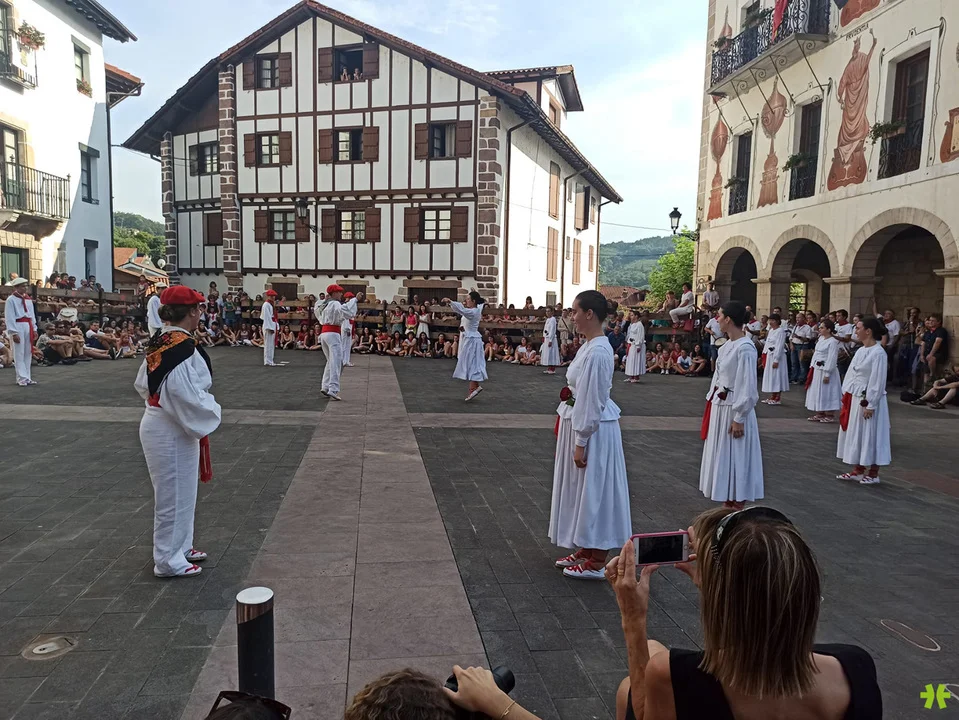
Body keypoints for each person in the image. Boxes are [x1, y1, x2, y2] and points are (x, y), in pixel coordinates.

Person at [605, 506, 882, 720]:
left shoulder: (676, 676)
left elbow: (642, 713)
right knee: (651, 652)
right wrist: (716, 585)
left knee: (633, 680)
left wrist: (633, 618)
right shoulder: (855, 668)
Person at [135, 285, 221, 578]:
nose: (201, 314)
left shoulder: (163, 339)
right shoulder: (179, 347)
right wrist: (211, 409)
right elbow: (183, 394)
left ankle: (181, 547)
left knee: (184, 490)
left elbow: (143, 384)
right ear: (193, 312)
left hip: (169, 421)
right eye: (199, 309)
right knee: (172, 495)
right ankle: (167, 560)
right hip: (169, 424)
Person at [550, 289, 632, 580]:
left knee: (595, 487)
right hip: (583, 422)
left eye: (575, 311)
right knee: (583, 488)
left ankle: (598, 560)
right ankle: (587, 546)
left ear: (589, 314)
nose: (572, 316)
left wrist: (581, 440)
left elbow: (592, 399)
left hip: (594, 429)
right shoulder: (590, 345)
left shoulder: (598, 351)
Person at [699, 301, 763, 509]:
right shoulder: (727, 345)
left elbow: (748, 385)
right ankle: (727, 499)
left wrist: (739, 417)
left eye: (719, 316)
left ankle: (737, 502)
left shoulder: (745, 348)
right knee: (723, 454)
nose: (717, 320)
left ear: (728, 319)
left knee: (737, 453)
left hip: (733, 408)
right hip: (720, 404)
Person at [837, 317, 890, 485]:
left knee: (871, 433)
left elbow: (877, 380)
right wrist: (846, 393)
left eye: (858, 328)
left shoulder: (878, 353)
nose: (856, 331)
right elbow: (851, 373)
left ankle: (873, 473)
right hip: (856, 396)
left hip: (868, 399)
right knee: (857, 433)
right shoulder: (861, 350)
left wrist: (871, 403)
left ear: (868, 331)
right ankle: (858, 470)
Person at [442, 291, 487, 401]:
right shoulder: (475, 309)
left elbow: (462, 310)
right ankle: (475, 387)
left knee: (471, 363)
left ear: (473, 301)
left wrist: (450, 301)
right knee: (471, 362)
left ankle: (473, 388)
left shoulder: (473, 312)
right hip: (468, 338)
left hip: (472, 340)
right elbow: (479, 305)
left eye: (468, 299)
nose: (466, 301)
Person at [316, 285, 358, 400]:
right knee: (336, 361)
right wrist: (354, 300)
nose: (341, 294)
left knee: (330, 361)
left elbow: (317, 314)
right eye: (339, 292)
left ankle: (325, 386)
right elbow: (347, 311)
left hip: (324, 333)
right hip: (333, 333)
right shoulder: (335, 303)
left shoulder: (324, 304)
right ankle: (333, 389)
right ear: (334, 293)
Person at [805, 320, 842, 423]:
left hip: (826, 370)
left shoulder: (833, 342)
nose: (819, 329)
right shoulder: (821, 339)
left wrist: (827, 373)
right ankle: (820, 412)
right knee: (818, 390)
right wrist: (812, 366)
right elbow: (816, 354)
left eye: (822, 328)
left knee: (828, 390)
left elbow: (832, 358)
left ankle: (830, 414)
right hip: (817, 369)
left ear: (829, 329)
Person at [4, 277, 38, 386]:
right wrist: (13, 333)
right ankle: (21, 377)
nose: (25, 288)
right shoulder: (11, 299)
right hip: (18, 325)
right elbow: (9, 317)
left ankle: (27, 376)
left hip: (27, 324)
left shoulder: (28, 299)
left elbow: (32, 315)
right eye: (23, 286)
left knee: (27, 351)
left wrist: (34, 328)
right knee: (19, 352)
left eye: (26, 286)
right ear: (16, 287)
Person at [760, 313, 789, 405]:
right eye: (770, 320)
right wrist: (764, 354)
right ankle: (772, 396)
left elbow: (779, 346)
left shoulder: (781, 331)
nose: (771, 322)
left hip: (777, 356)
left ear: (777, 321)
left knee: (777, 376)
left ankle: (777, 398)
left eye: (772, 320)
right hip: (769, 355)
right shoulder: (771, 331)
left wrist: (776, 359)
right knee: (771, 376)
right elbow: (768, 343)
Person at [624, 310, 646, 384]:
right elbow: (630, 335)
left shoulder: (639, 325)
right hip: (631, 344)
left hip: (636, 345)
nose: (631, 316)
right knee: (630, 361)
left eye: (632, 315)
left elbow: (640, 336)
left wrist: (638, 345)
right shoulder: (632, 324)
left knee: (636, 361)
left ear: (636, 316)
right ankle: (631, 376)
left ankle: (636, 377)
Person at [540, 306, 561, 374]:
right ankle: (549, 367)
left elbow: (552, 330)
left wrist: (550, 340)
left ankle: (552, 368)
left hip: (551, 338)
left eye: (549, 311)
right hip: (546, 338)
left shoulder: (553, 319)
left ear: (552, 312)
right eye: (546, 311)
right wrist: (544, 337)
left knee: (552, 353)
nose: (547, 313)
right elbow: (545, 329)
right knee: (548, 353)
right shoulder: (548, 319)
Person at [703, 310, 724, 374]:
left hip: (722, 341)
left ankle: (720, 371)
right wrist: (710, 331)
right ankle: (712, 371)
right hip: (713, 342)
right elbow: (706, 328)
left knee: (720, 357)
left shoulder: (723, 320)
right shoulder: (712, 320)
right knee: (713, 357)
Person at [261, 289, 278, 366]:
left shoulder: (271, 304)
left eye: (274, 296)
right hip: (269, 325)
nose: (273, 297)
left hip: (272, 323)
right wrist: (270, 327)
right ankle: (268, 361)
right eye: (272, 296)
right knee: (268, 344)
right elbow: (266, 317)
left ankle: (270, 359)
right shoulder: (266, 305)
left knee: (271, 344)